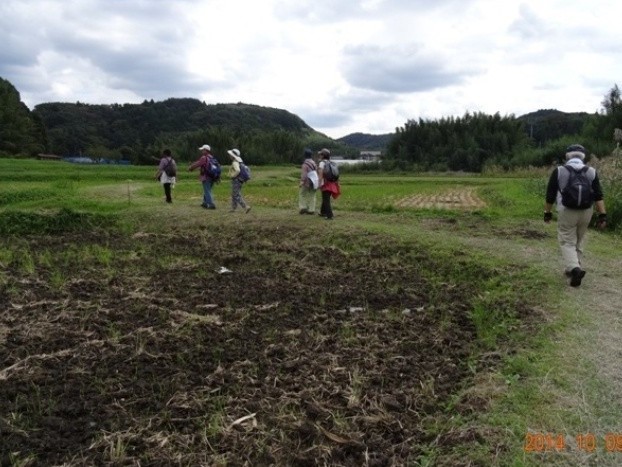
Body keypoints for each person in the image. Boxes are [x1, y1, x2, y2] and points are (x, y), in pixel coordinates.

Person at [544, 143, 607, 287]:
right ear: (583, 156)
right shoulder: (591, 171)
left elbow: (550, 195)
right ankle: (572, 267)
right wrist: (603, 215)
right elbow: (598, 196)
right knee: (578, 239)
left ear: (567, 156)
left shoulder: (559, 171)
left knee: (567, 241)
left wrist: (547, 212)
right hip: (587, 211)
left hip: (567, 211)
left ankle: (575, 269)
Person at [189, 144, 217, 209]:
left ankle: (211, 204)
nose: (201, 151)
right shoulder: (211, 157)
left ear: (206, 150)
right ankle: (204, 203)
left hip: (206, 176)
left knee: (207, 190)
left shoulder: (204, 157)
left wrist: (190, 168)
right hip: (212, 176)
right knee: (208, 189)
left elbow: (198, 164)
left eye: (203, 150)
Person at [318, 148, 341, 220]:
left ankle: (329, 215)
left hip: (326, 183)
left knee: (326, 199)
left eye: (320, 154)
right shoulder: (332, 163)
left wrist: (319, 183)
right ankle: (322, 212)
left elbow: (321, 173)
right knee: (325, 198)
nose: (320, 156)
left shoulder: (322, 163)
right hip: (333, 183)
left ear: (323, 155)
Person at [227, 148, 251, 213]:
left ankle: (246, 207)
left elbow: (237, 170)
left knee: (236, 195)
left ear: (233, 155)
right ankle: (233, 208)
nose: (229, 156)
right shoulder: (240, 162)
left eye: (230, 155)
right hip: (240, 180)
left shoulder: (235, 162)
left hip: (236, 180)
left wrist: (233, 176)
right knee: (234, 194)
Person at [298, 148, 318, 215]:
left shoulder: (305, 164)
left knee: (302, 193)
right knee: (312, 195)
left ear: (304, 155)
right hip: (315, 181)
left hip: (307, 181)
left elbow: (304, 174)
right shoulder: (314, 162)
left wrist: (302, 182)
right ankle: (311, 210)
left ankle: (303, 207)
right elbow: (316, 171)